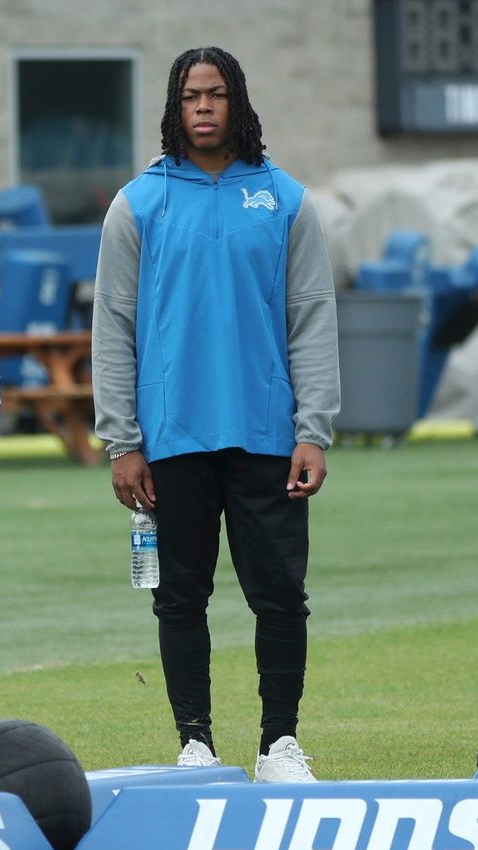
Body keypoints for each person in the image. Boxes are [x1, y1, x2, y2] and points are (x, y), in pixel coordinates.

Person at [91, 47, 340, 783]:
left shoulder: (285, 200)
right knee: (179, 596)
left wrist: (313, 429)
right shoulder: (137, 203)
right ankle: (195, 744)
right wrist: (121, 441)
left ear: (239, 104)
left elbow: (312, 318)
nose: (204, 107)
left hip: (268, 435)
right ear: (174, 107)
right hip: (171, 439)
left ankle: (279, 745)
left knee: (281, 597)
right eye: (191, 95)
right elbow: (113, 325)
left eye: (217, 94)